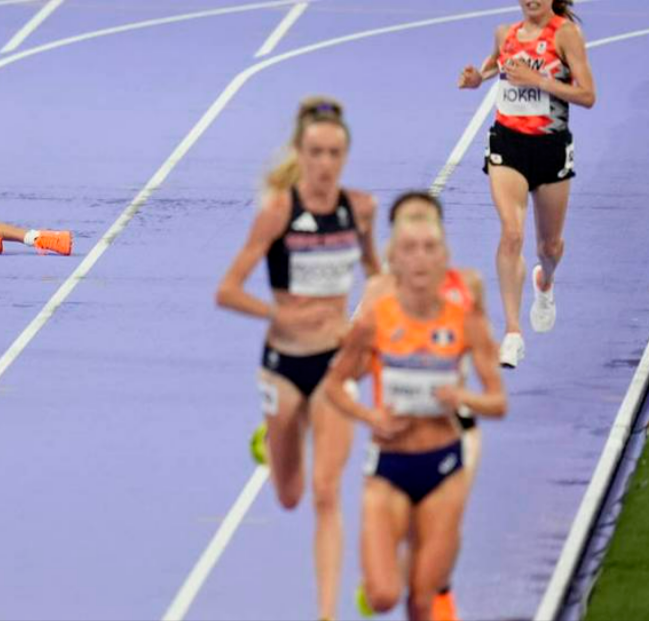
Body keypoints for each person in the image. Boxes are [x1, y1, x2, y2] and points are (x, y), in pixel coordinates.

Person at [216, 96, 379, 620]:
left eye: (335, 153)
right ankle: (273, 437)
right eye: (317, 152)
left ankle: (326, 613)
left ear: (345, 155)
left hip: (334, 367)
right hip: (285, 365)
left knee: (326, 493)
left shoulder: (361, 209)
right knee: (289, 495)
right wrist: (279, 314)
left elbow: (378, 276)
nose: (326, 163)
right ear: (301, 153)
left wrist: (367, 325)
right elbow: (228, 290)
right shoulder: (277, 212)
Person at [323, 213, 506, 621]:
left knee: (424, 593)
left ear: (444, 256)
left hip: (446, 454)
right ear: (395, 257)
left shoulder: (465, 310)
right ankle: (388, 565)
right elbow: (337, 380)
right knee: (385, 592)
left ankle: (434, 586)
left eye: (429, 248)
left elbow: (496, 397)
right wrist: (370, 415)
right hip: (390, 459)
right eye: (409, 248)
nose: (420, 258)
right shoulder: (376, 314)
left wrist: (460, 394)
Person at [359, 192, 490, 621]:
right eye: (408, 222)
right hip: (398, 436)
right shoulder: (379, 293)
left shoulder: (467, 286)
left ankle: (439, 593)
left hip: (456, 428)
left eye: (425, 219)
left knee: (441, 527)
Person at [457, 0, 595, 367]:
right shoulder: (505, 33)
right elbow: (496, 65)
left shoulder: (566, 35)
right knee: (511, 233)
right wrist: (477, 78)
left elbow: (588, 95)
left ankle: (545, 281)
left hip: (551, 148)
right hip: (508, 144)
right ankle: (512, 333)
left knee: (549, 246)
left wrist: (539, 81)